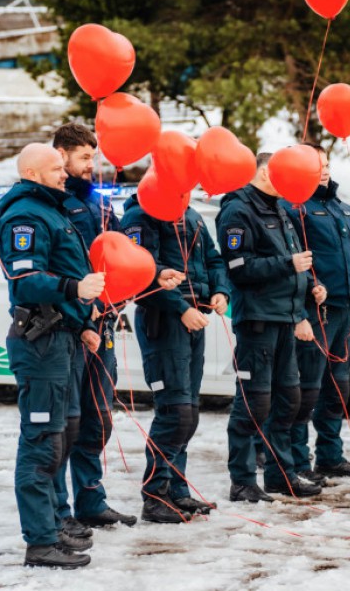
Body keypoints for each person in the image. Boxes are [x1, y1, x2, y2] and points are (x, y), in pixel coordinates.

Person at [0, 143, 103, 568]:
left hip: (63, 336)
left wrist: (84, 324)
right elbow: (25, 280)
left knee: (60, 437)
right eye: (57, 168)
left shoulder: (52, 209)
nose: (65, 174)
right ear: (34, 173)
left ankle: (54, 524)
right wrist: (75, 291)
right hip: (40, 342)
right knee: (41, 443)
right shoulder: (26, 215)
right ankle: (40, 542)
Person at [216, 152, 327, 502]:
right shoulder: (238, 211)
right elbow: (239, 267)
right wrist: (287, 264)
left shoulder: (279, 209)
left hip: (285, 318)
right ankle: (243, 480)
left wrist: (310, 287)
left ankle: (282, 475)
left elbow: (294, 264)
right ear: (266, 172)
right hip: (258, 321)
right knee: (254, 405)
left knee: (288, 401)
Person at [120, 181, 231, 523]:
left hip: (195, 319)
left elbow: (213, 259)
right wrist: (180, 308)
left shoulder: (192, 213)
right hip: (164, 321)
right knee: (174, 411)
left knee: (189, 411)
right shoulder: (140, 216)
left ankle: (176, 491)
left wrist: (220, 291)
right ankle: (155, 496)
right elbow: (140, 274)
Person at [51, 123, 135, 535]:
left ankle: (90, 500)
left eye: (93, 157)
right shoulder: (52, 204)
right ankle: (60, 511)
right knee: (64, 423)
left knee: (98, 417)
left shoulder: (99, 204)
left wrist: (152, 275)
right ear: (61, 155)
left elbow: (121, 255)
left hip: (103, 323)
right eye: (84, 157)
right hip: (67, 326)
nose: (91, 166)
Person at [281, 144, 350, 483]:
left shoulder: (344, 208)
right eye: (315, 164)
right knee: (307, 389)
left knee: (339, 388)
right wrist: (310, 285)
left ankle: (330, 456)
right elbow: (290, 254)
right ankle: (296, 460)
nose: (323, 169)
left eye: (326, 163)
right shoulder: (293, 208)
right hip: (313, 310)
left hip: (343, 308)